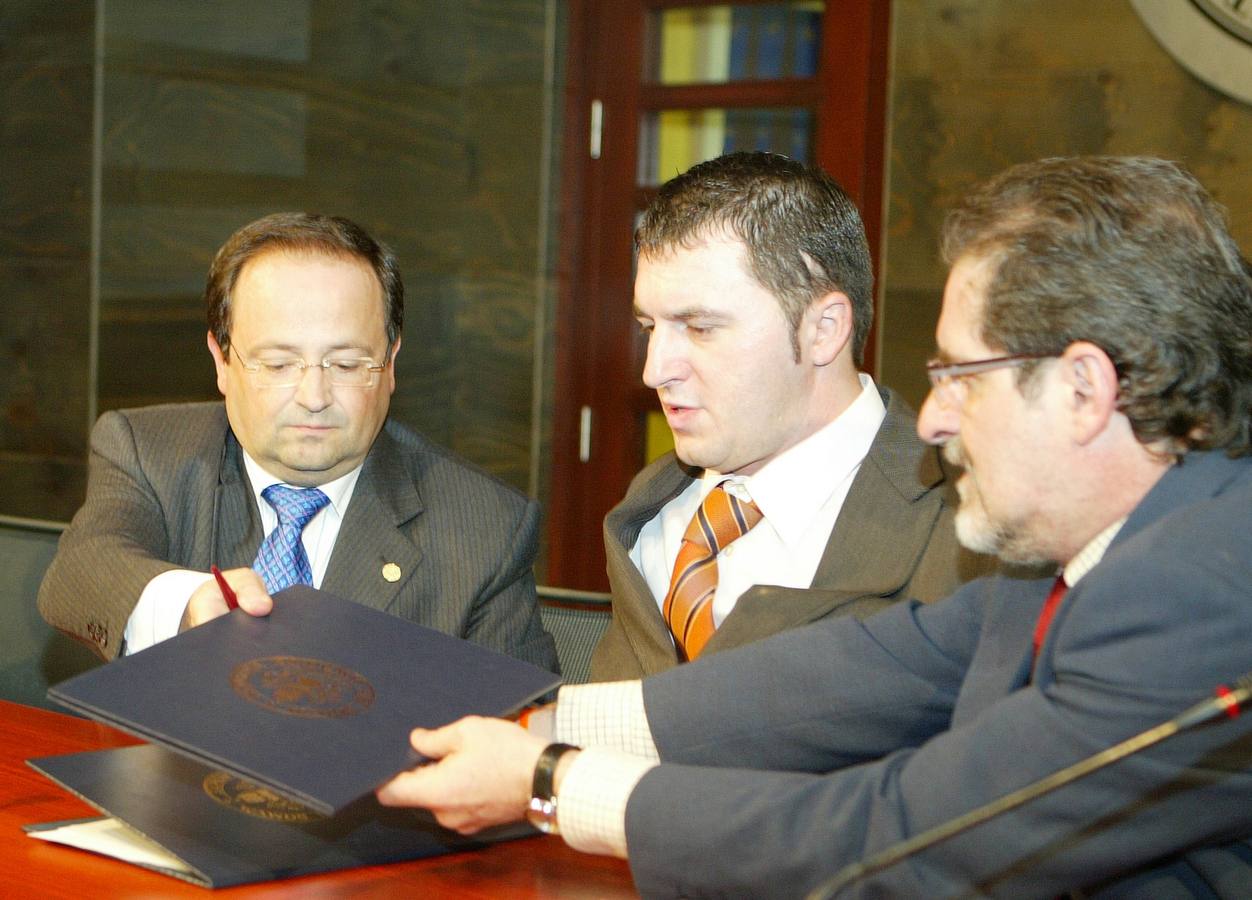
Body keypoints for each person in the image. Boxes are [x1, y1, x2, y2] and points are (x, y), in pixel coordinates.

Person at [376, 156, 1252, 897]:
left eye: (964, 379)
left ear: (1084, 391)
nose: (938, 421)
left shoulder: (1200, 591)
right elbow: (869, 675)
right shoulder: (1110, 553)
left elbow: (908, 835)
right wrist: (540, 725)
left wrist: (547, 783)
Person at [38, 212, 557, 671]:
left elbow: (520, 737)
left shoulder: (486, 528)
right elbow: (83, 570)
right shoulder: (149, 452)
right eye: (279, 363)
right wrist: (186, 604)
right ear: (222, 361)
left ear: (391, 364)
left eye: (348, 364)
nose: (314, 396)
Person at [593, 151, 988, 680]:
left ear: (823, 329)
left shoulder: (973, 522)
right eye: (650, 328)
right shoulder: (649, 510)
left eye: (701, 328)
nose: (655, 371)